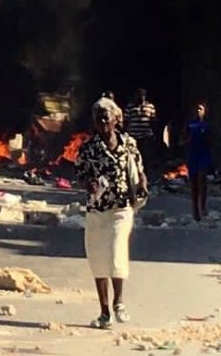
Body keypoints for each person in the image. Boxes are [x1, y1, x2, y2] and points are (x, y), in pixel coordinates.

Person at [76, 97, 147, 330]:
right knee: (98, 260)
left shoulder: (129, 144)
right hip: (97, 210)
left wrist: (143, 185)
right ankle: (104, 312)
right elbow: (80, 174)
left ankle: (119, 302)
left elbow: (139, 169)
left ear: (117, 119)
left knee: (117, 252)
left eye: (106, 116)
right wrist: (91, 185)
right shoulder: (88, 148)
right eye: (99, 118)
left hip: (121, 209)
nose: (103, 120)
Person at [182, 100, 214, 221]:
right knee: (194, 183)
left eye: (200, 109)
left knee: (202, 179)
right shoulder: (190, 125)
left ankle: (203, 206)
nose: (198, 111)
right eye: (196, 109)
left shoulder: (208, 125)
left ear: (205, 111)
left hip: (204, 155)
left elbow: (212, 140)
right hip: (192, 156)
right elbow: (183, 139)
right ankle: (195, 209)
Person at [124, 88, 157, 173]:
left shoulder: (150, 106)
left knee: (146, 156)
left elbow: (153, 121)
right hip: (133, 136)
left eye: (142, 95)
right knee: (133, 157)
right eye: (138, 95)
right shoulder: (130, 107)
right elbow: (126, 121)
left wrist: (154, 134)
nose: (140, 97)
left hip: (146, 136)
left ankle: (146, 175)